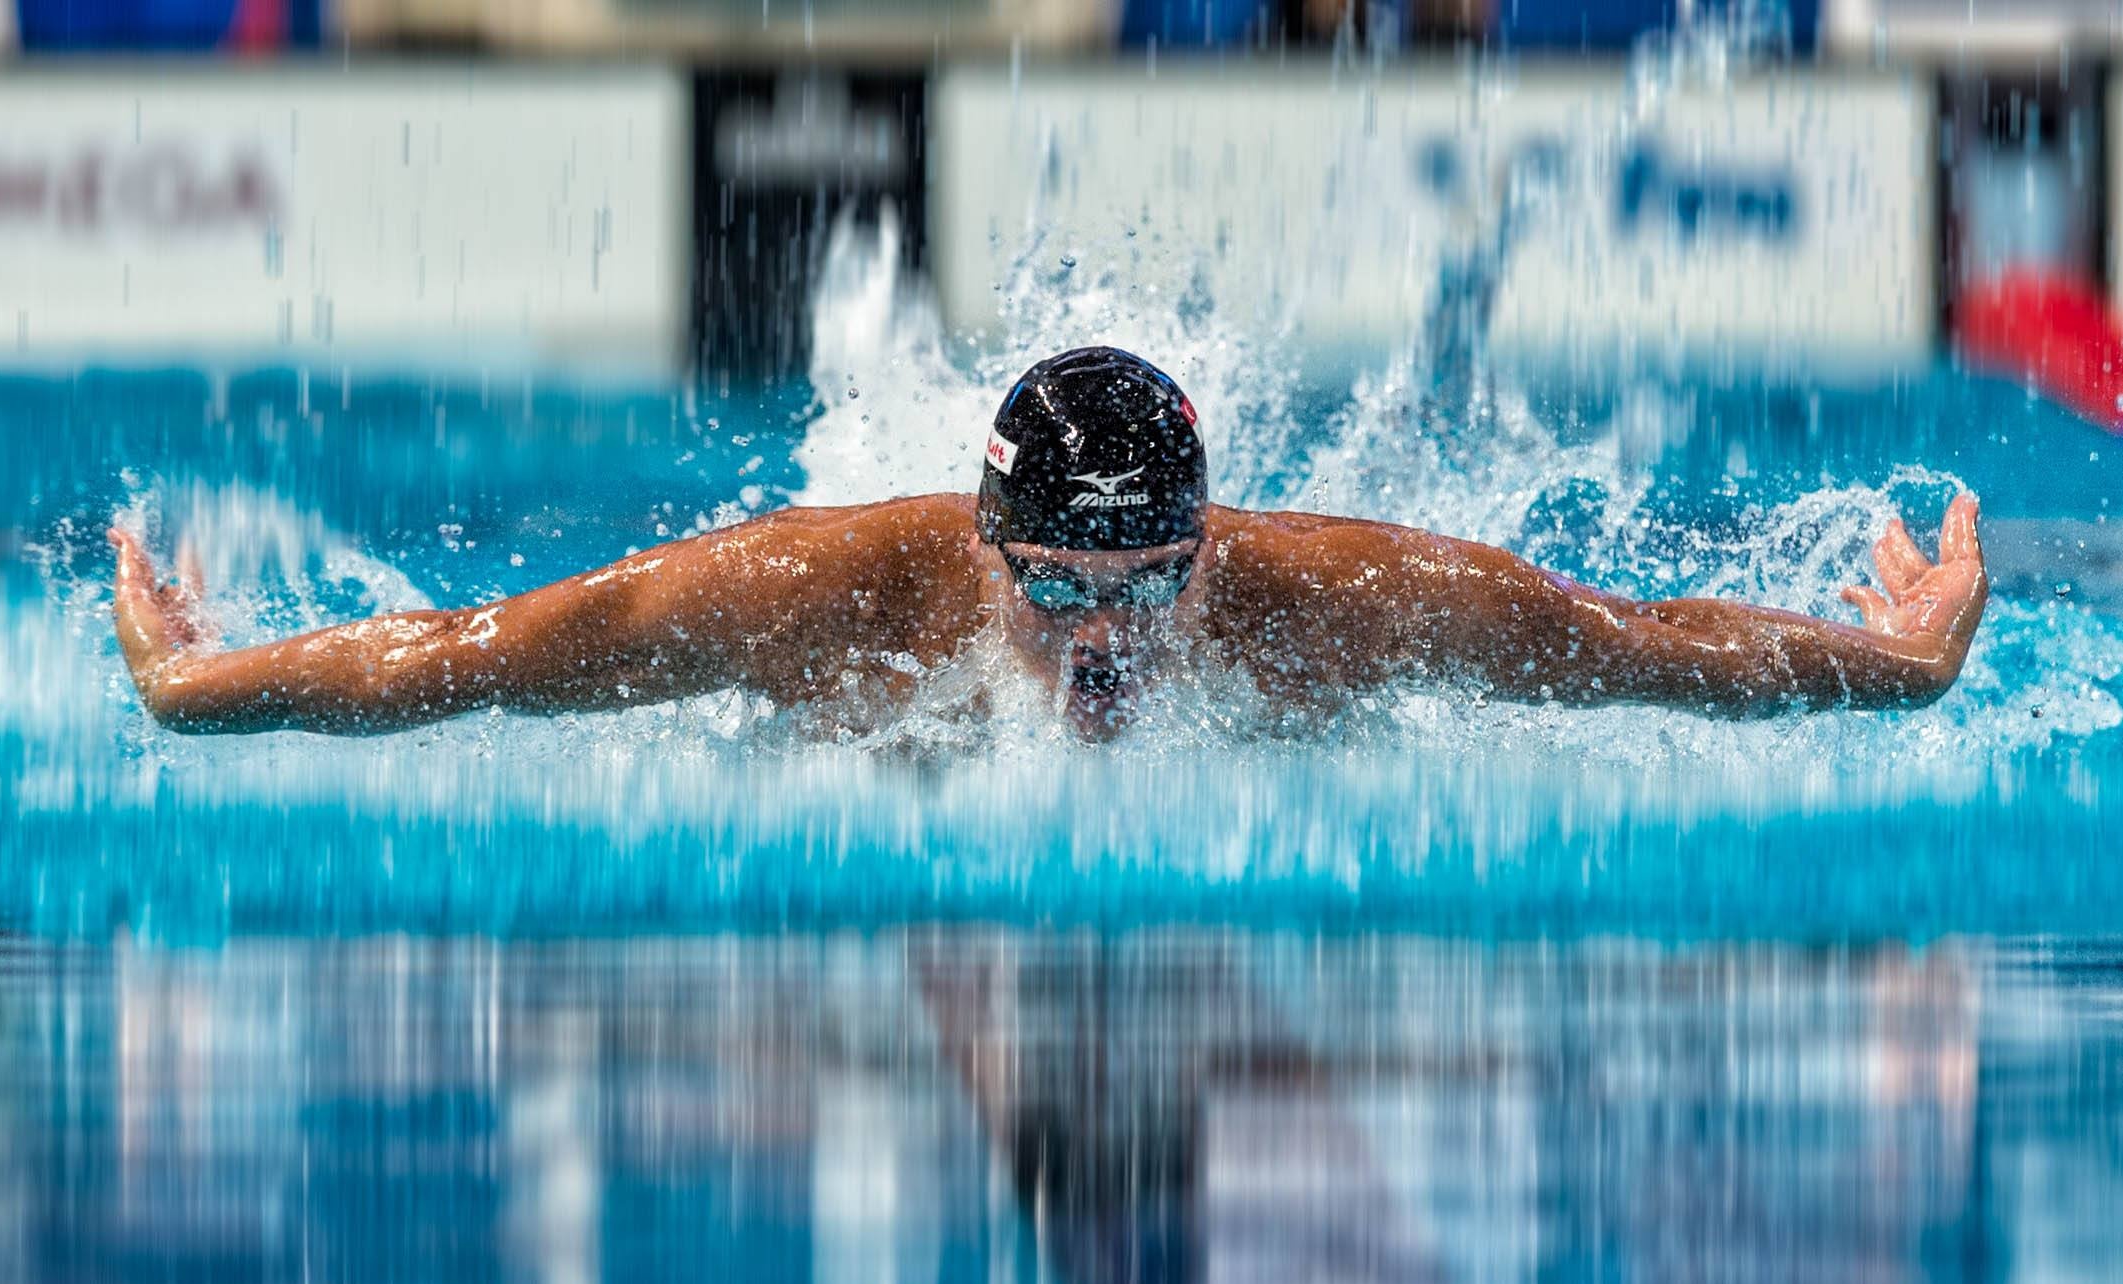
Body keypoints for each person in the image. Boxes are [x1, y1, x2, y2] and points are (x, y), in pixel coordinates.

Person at [110, 346, 1988, 742]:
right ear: (984, 542)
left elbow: (1645, 645)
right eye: (1058, 586)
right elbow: (477, 657)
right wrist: (201, 685)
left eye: (1144, 581)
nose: (1105, 634)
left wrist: (1901, 664)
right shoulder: (815, 595)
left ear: (1205, 538)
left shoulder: (1335, 601)